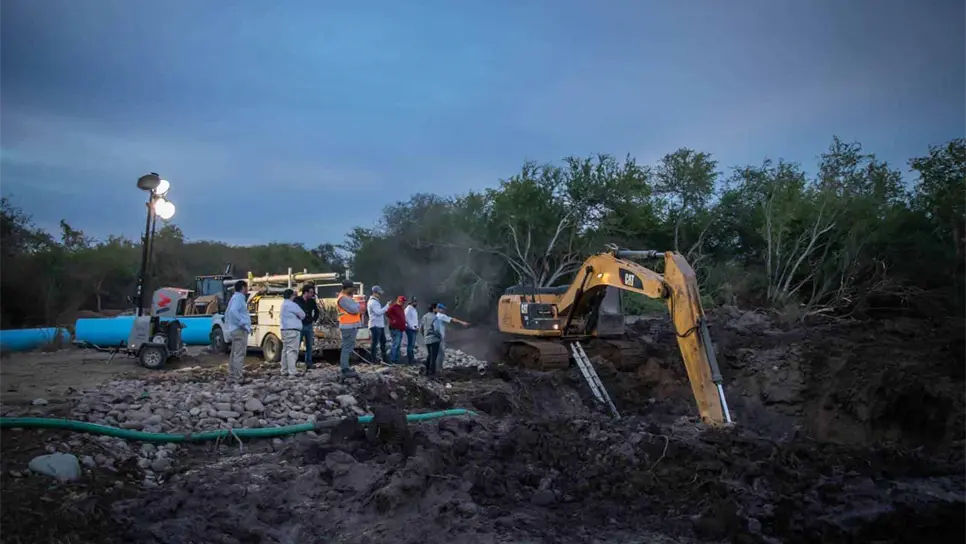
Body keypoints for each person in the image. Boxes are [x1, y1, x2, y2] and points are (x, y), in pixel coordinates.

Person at [224, 280, 251, 381]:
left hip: (234, 329)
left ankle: (232, 374)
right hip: (239, 329)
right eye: (246, 287)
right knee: (239, 353)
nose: (247, 289)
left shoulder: (233, 298)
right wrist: (242, 323)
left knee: (234, 353)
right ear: (243, 288)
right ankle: (237, 376)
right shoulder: (239, 298)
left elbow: (228, 313)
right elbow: (233, 311)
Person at [335, 280, 361, 378]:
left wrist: (356, 305)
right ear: (347, 288)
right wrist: (357, 305)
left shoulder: (346, 298)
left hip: (351, 325)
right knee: (346, 347)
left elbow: (355, 308)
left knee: (349, 346)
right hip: (348, 326)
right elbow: (355, 309)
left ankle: (346, 367)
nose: (353, 289)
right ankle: (345, 369)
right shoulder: (343, 299)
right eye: (352, 287)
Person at [433, 303, 469, 372]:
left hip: (436, 337)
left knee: (437, 353)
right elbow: (452, 319)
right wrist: (462, 322)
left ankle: (436, 368)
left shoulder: (435, 316)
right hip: (439, 337)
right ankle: (438, 368)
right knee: (441, 353)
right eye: (443, 309)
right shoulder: (441, 316)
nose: (444, 311)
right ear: (439, 309)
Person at [280, 288, 304, 377]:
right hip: (293, 330)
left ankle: (284, 370)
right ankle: (292, 371)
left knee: (285, 350)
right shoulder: (292, 305)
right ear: (291, 295)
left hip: (284, 330)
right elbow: (302, 315)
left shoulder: (283, 305)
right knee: (292, 351)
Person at [295, 284, 320, 369]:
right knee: (297, 344)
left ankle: (309, 362)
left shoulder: (311, 301)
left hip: (309, 324)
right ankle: (295, 361)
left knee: (309, 345)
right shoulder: (297, 300)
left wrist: (314, 319)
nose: (312, 294)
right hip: (299, 324)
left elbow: (317, 311)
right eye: (311, 292)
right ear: (305, 292)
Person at [366, 285, 389, 363]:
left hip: (379, 325)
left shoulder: (375, 301)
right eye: (379, 293)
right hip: (375, 325)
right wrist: (387, 306)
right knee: (375, 343)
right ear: (374, 293)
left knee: (383, 342)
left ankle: (384, 359)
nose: (380, 295)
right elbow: (378, 312)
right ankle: (373, 360)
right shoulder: (373, 302)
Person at [420, 303, 441, 376]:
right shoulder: (435, 317)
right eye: (437, 308)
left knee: (429, 355)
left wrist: (424, 335)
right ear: (434, 309)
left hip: (427, 339)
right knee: (433, 357)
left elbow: (421, 328)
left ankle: (427, 371)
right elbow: (437, 330)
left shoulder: (424, 316)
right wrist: (440, 337)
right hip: (434, 339)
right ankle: (432, 373)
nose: (438, 310)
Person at [386, 295, 407, 364]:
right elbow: (387, 313)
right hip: (395, 328)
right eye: (402, 301)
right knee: (395, 344)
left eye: (404, 302)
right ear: (399, 300)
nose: (403, 303)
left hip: (400, 329)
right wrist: (393, 319)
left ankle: (397, 360)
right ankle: (392, 360)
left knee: (398, 345)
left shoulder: (400, 308)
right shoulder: (393, 307)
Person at [404, 298, 419, 364]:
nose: (416, 303)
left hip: (414, 329)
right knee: (410, 344)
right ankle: (410, 360)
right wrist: (413, 327)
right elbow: (407, 320)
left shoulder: (414, 309)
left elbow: (415, 320)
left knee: (412, 344)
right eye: (415, 302)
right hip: (410, 329)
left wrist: (417, 327)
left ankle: (411, 358)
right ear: (411, 302)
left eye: (416, 301)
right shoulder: (408, 309)